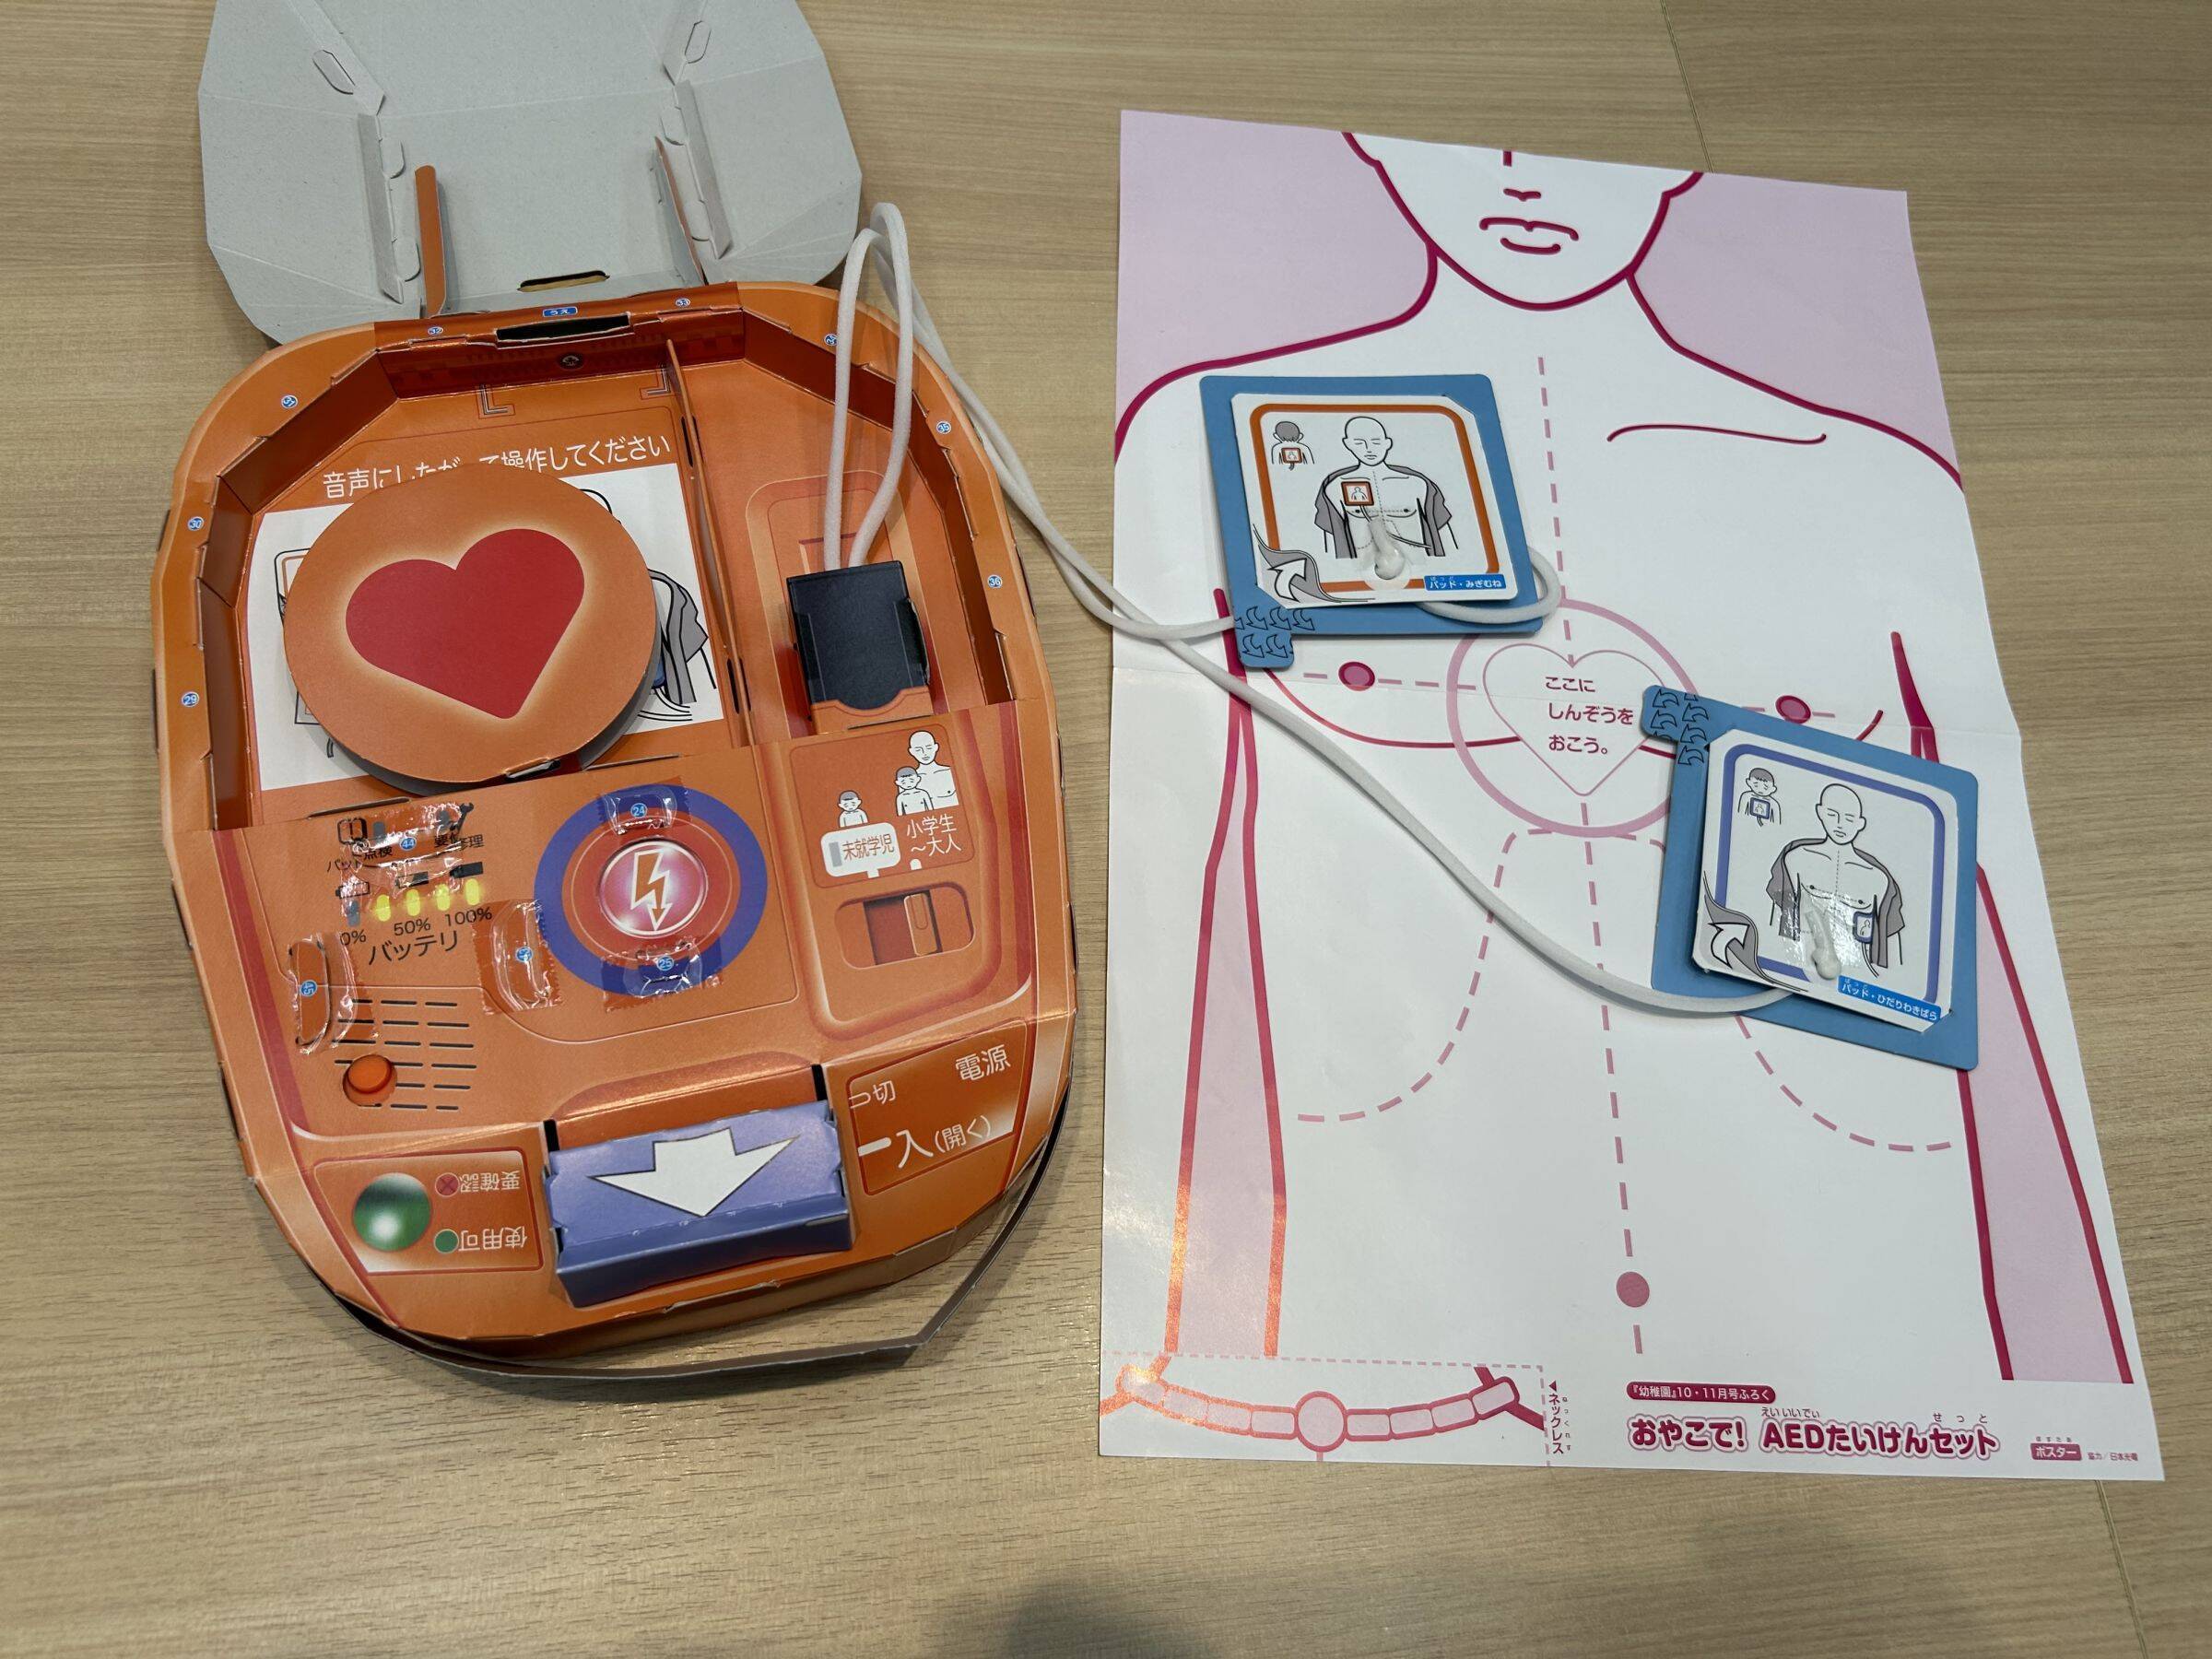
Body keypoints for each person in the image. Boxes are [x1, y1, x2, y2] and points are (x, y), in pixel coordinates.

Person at [1766, 782, 1905, 978]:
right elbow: (1778, 918)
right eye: (1832, 815)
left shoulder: (1879, 879)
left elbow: (1888, 945)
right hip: (1796, 965)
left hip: (1861, 974)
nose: (1840, 824)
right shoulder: (1795, 858)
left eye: (1849, 819)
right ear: (1820, 812)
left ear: (1860, 823)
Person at [906, 729, 959, 807]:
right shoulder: (907, 781)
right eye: (918, 750)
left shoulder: (949, 772)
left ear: (935, 747)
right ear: (911, 751)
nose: (924, 753)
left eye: (929, 748)